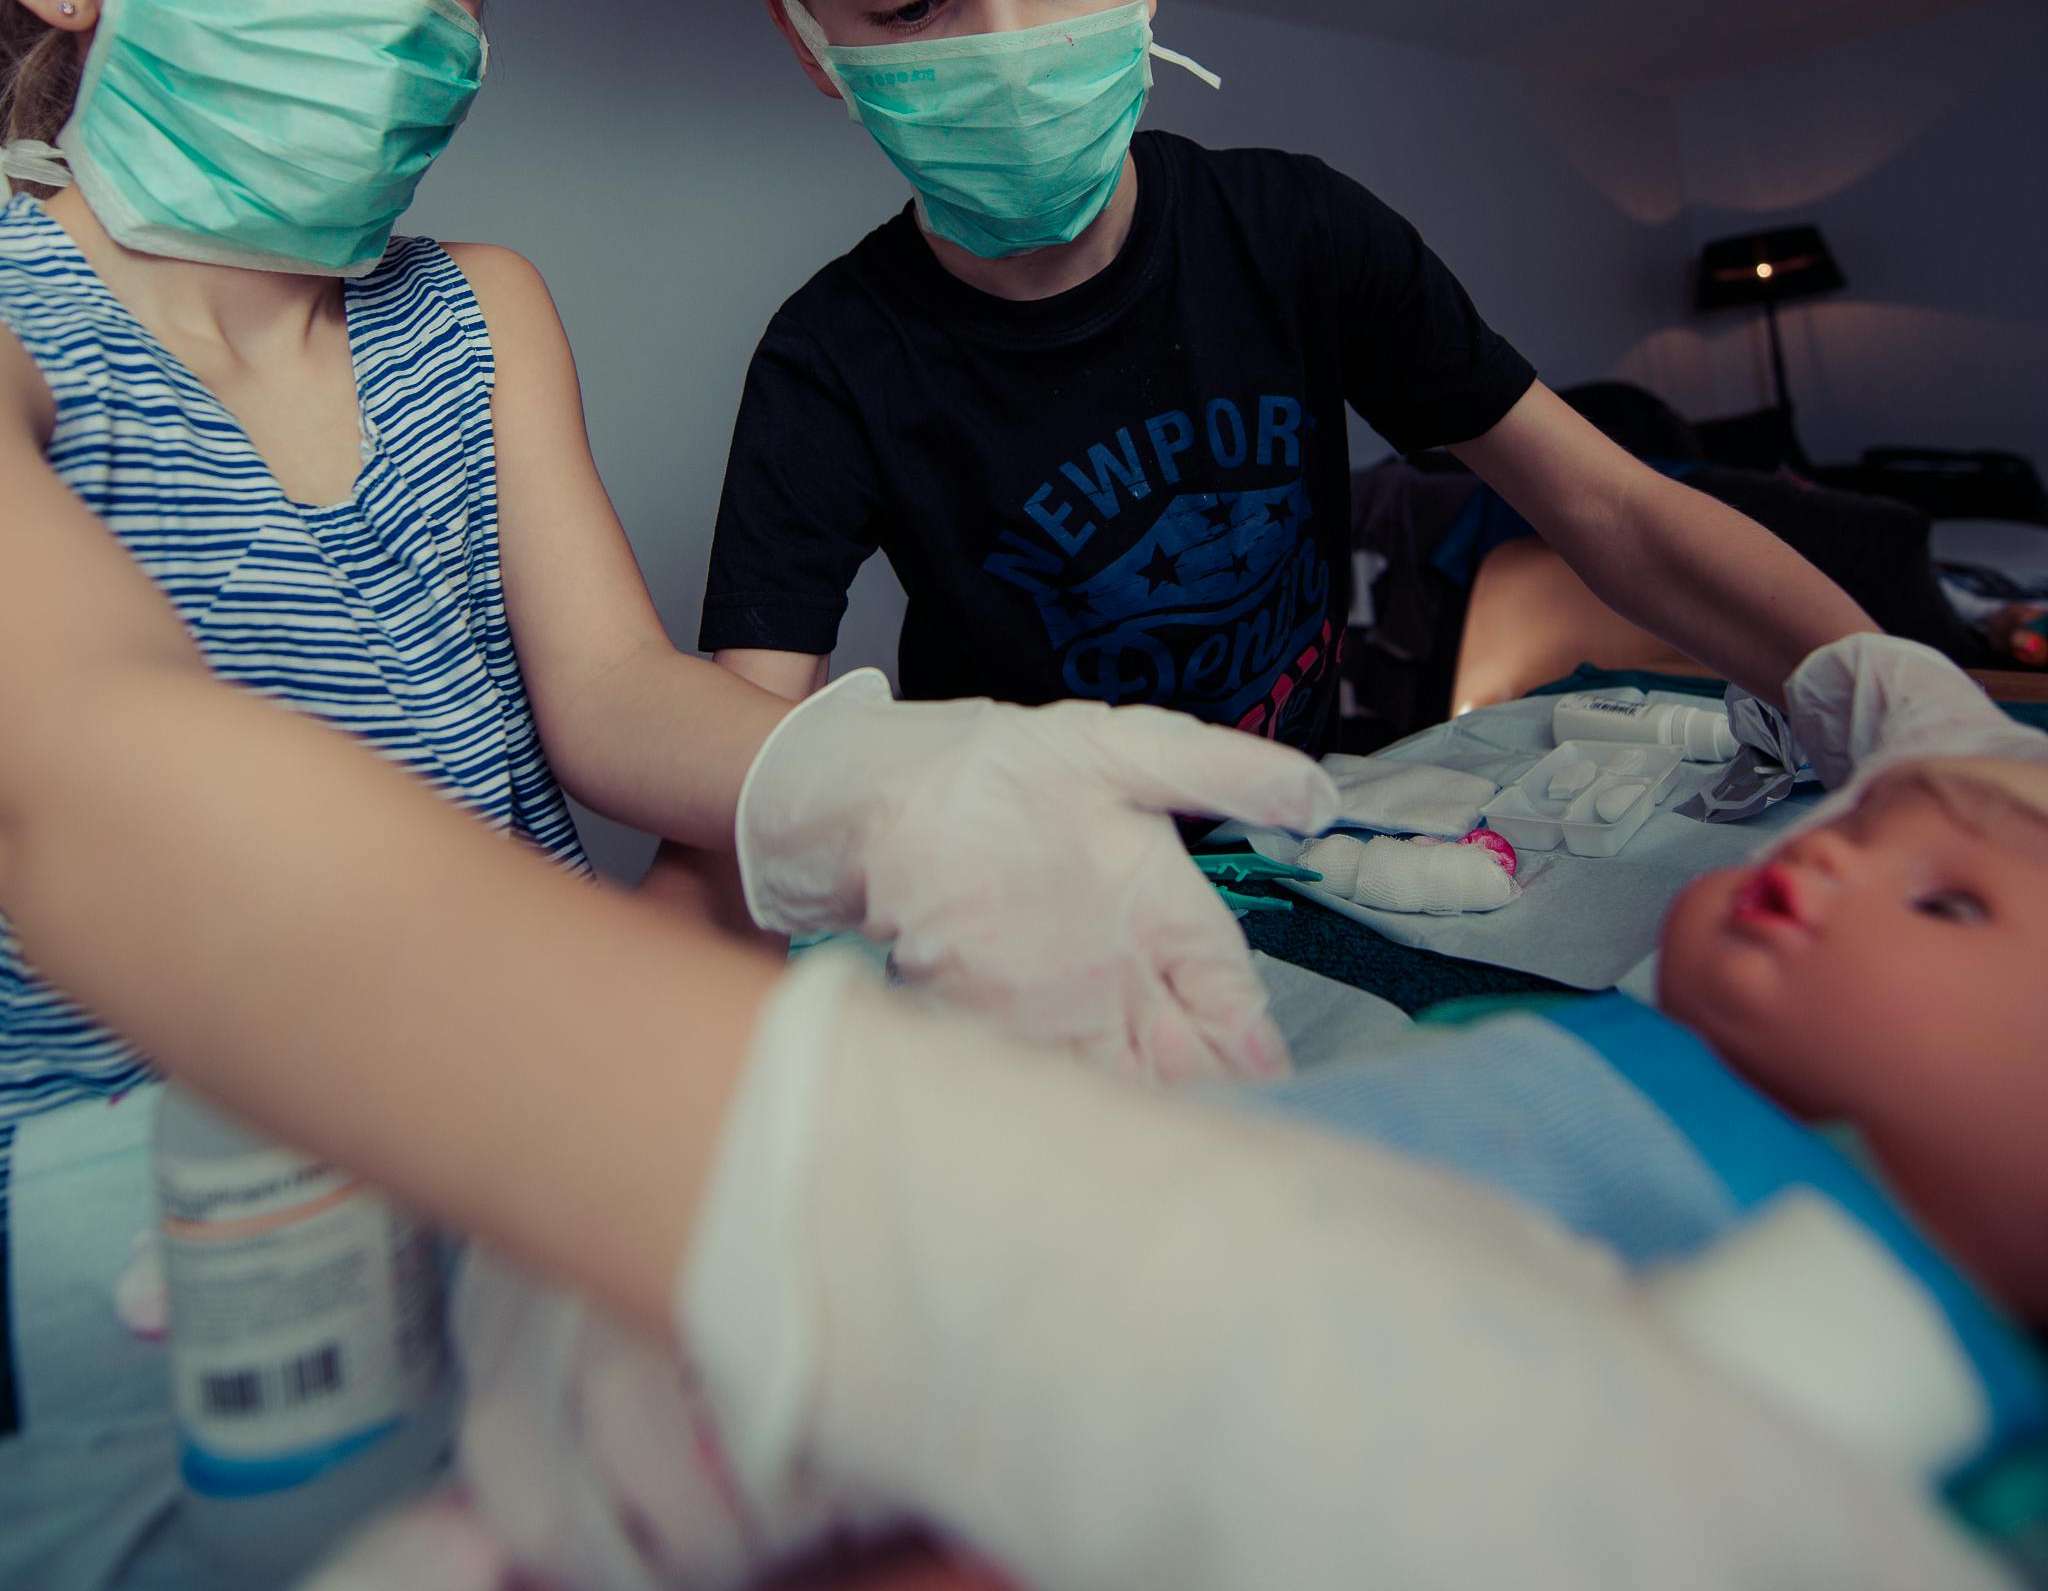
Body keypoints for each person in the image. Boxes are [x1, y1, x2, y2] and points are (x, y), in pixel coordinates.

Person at [0, 0, 1346, 1588]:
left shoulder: (476, 314)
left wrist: (889, 774)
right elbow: (78, 747)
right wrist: (668, 1094)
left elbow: (619, 695)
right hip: (165, 1227)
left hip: (555, 1132)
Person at [316, 640, 2048, 1590]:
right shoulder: (1642, 1045)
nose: (1824, 851)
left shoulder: (1864, 1325)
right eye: (1843, 828)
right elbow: (1898, 716)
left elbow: (1434, 1499)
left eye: (1950, 904)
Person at [699, 0, 1877, 774]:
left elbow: (1612, 511)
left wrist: (1900, 708)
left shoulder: (1298, 235)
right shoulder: (832, 364)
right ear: (811, 41)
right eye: (911, 6)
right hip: (1034, 900)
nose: (1008, 50)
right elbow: (734, 757)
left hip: (1297, 838)